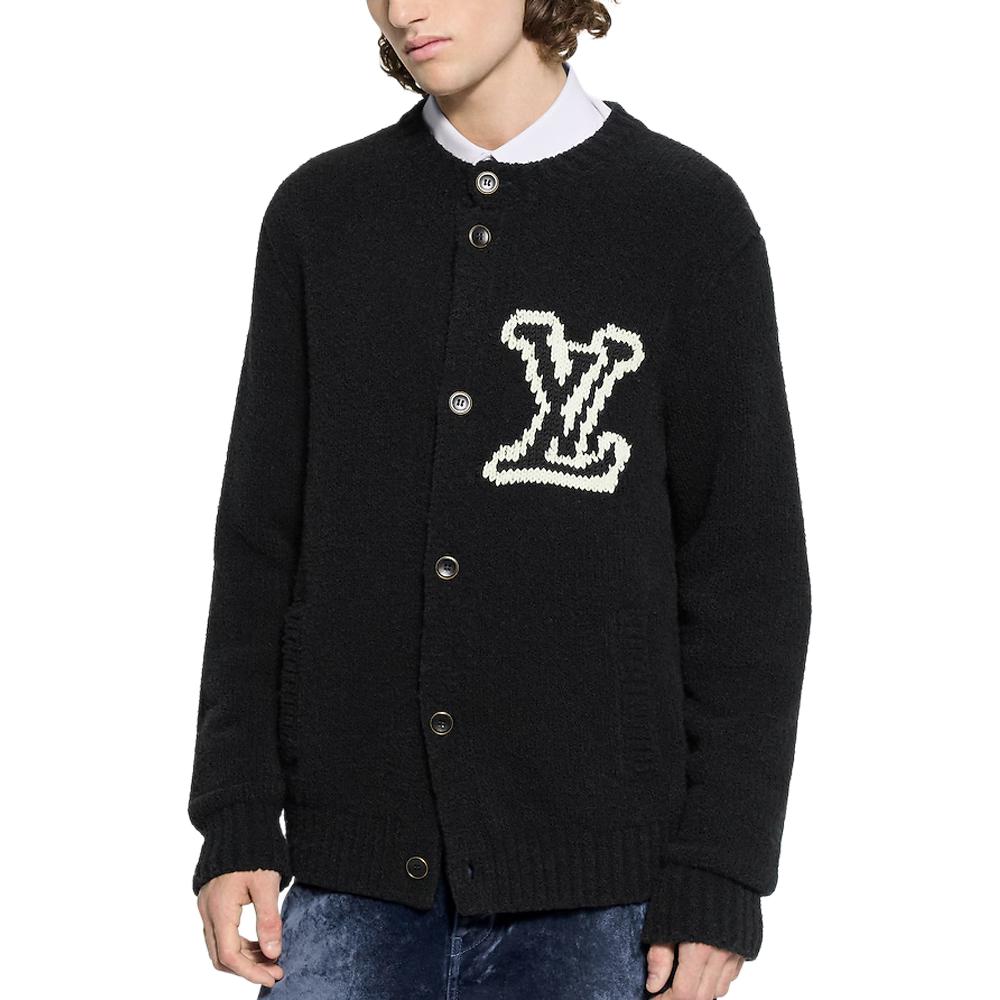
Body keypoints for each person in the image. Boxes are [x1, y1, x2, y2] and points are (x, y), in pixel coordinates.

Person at [188, 1, 812, 997]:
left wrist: (723, 869)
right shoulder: (323, 215)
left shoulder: (685, 218)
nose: (404, 10)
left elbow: (747, 571)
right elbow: (260, 541)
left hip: (606, 902)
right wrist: (234, 818)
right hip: (348, 886)